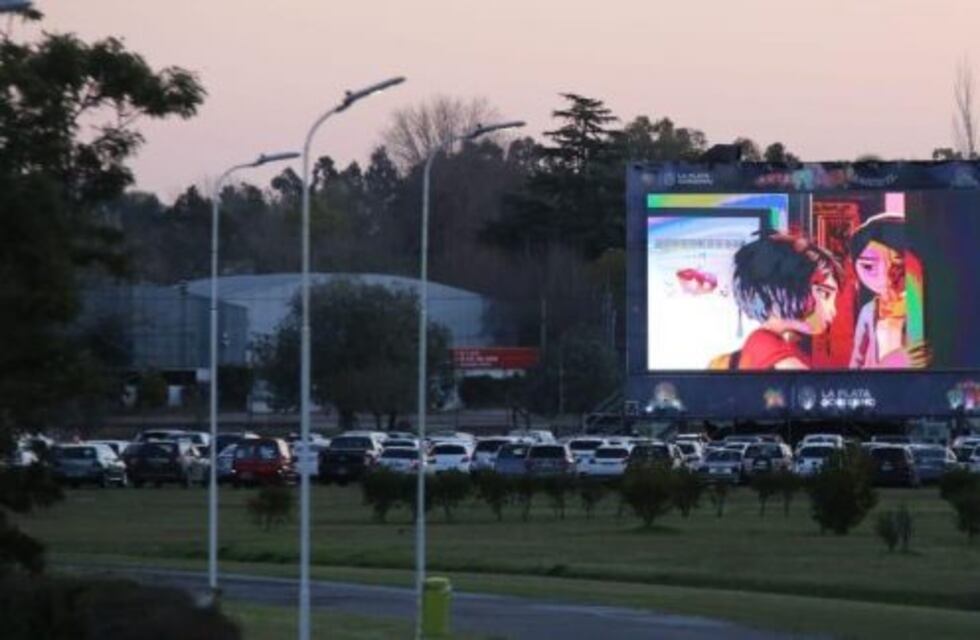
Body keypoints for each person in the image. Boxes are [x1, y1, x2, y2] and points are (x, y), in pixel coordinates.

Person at [709, 232, 842, 370]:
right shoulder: (778, 356)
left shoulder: (759, 344)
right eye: (825, 294)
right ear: (787, 287)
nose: (834, 310)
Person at [848, 213, 928, 369]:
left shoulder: (920, 307)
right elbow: (856, 360)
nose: (886, 276)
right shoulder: (869, 311)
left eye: (898, 266)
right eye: (869, 267)